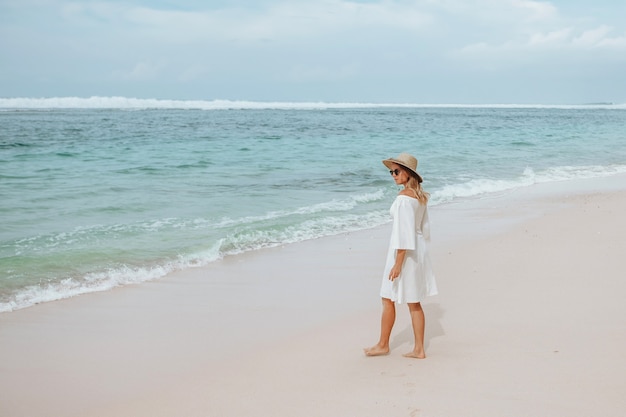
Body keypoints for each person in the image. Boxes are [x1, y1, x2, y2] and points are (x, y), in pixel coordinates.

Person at [364, 153, 438, 359]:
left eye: (396, 171)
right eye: (391, 171)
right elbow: (422, 228)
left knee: (387, 297)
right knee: (413, 301)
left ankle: (383, 344)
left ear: (407, 173)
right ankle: (419, 349)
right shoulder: (419, 197)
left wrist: (397, 263)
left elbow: (403, 234)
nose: (393, 175)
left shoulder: (404, 199)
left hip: (403, 252)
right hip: (417, 251)